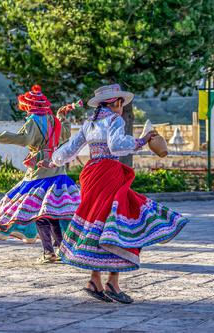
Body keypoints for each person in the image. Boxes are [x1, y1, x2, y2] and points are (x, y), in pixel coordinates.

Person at [38, 84, 189, 302]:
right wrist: (142, 140)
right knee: (119, 225)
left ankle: (95, 280)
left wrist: (52, 160)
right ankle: (112, 283)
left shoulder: (89, 123)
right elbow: (117, 146)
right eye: (121, 103)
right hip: (109, 174)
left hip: (91, 175)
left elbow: (70, 148)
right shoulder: (115, 120)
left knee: (98, 226)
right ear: (116, 103)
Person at [0, 85, 80, 263]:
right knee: (53, 213)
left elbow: (23, 139)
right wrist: (62, 117)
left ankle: (48, 252)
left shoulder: (33, 121)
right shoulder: (54, 120)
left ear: (29, 106)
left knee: (39, 213)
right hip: (58, 170)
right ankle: (62, 250)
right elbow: (66, 135)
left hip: (38, 174)